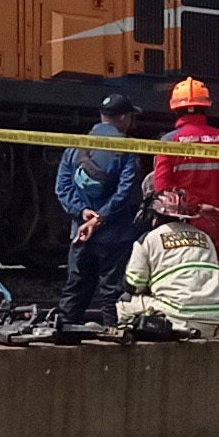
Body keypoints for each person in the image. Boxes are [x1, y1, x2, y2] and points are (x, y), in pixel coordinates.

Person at [53, 90, 146, 325]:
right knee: (112, 292)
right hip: (115, 235)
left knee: (75, 288)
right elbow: (125, 191)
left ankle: (65, 334)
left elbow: (62, 187)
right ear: (124, 118)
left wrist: (82, 212)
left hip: (80, 234)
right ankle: (112, 337)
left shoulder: (75, 146)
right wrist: (100, 218)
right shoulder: (127, 148)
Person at [114, 184, 219, 337]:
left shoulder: (149, 239)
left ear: (154, 217)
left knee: (125, 302)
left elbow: (134, 285)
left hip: (181, 319)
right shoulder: (205, 237)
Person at [159, 79, 219, 268]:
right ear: (207, 107)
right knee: (218, 276)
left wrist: (198, 207)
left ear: (176, 109)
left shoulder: (169, 141)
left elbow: (163, 189)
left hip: (185, 223)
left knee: (186, 276)